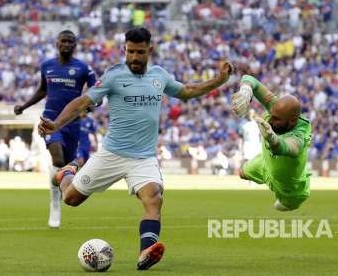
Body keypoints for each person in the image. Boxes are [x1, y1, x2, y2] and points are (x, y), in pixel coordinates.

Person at [38, 27, 233, 270]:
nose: (134, 58)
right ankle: (67, 173)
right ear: (124, 50)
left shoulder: (159, 76)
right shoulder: (113, 76)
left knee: (154, 197)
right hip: (111, 154)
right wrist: (56, 124)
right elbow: (82, 102)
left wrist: (220, 80)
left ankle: (145, 254)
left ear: (149, 50)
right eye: (130, 52)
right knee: (70, 199)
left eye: (140, 52)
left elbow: (187, 91)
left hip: (143, 158)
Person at [14, 30, 97, 228]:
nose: (66, 44)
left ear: (75, 45)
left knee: (67, 164)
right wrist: (24, 106)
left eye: (70, 42)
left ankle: (60, 191)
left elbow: (96, 90)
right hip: (50, 120)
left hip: (72, 122)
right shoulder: (47, 66)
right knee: (57, 159)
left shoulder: (83, 68)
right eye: (63, 41)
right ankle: (55, 203)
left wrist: (92, 103)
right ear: (57, 43)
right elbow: (42, 90)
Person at [231, 74, 312, 211]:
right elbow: (250, 79)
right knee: (242, 173)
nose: (270, 121)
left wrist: (273, 139)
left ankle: (298, 186)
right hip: (265, 163)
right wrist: (246, 92)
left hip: (290, 187)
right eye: (272, 115)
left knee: (283, 206)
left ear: (292, 120)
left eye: (277, 119)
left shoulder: (299, 134)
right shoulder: (277, 107)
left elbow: (290, 147)